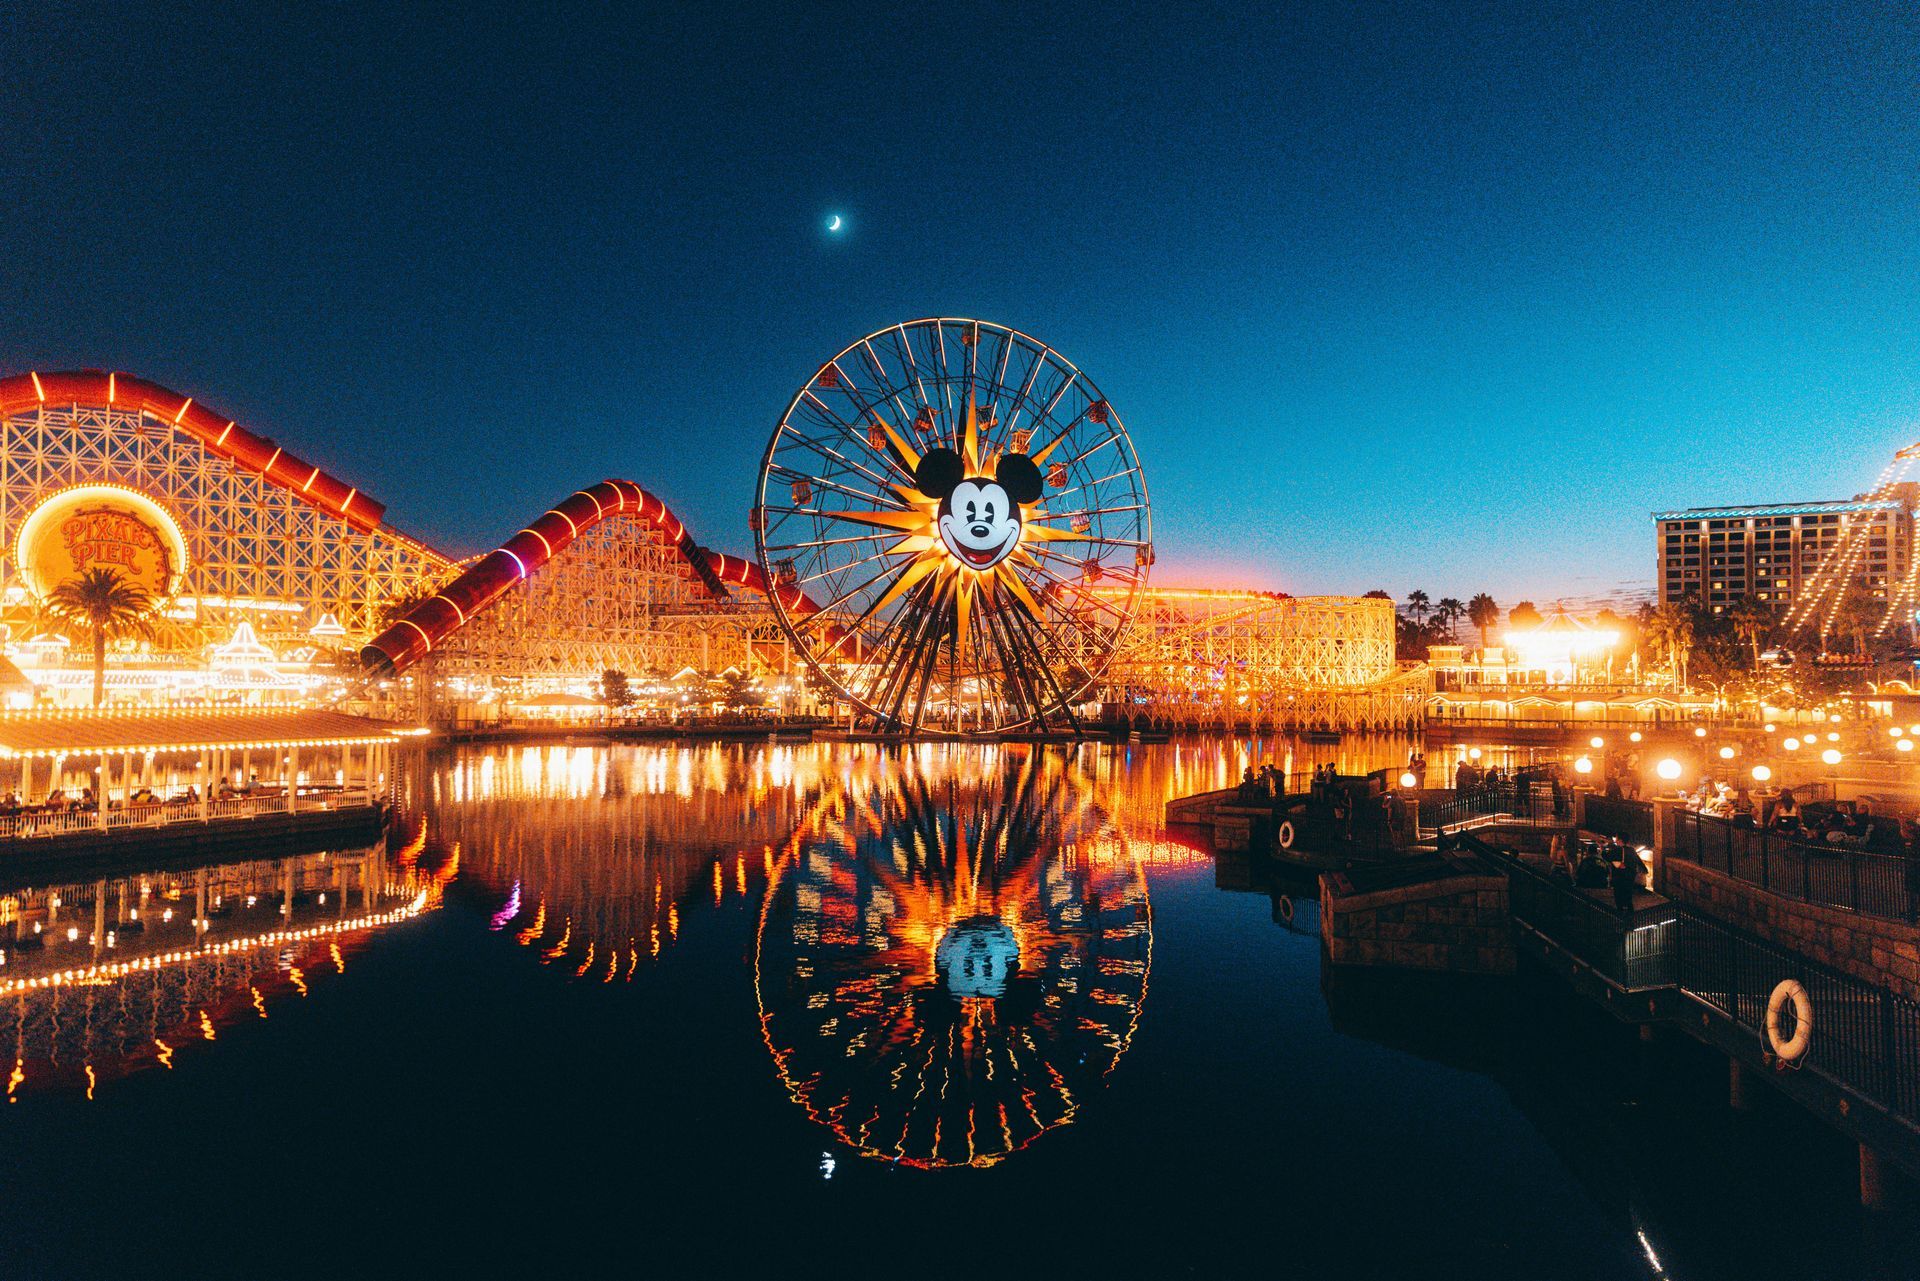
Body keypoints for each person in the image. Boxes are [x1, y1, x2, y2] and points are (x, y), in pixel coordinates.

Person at [1609, 842, 1639, 912]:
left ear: (1620, 840)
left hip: (1619, 876)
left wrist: (1602, 848)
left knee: (1618, 894)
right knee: (1628, 894)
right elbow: (1637, 861)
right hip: (1630, 876)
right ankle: (1630, 912)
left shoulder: (1617, 850)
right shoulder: (1632, 850)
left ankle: (1620, 912)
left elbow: (1607, 857)